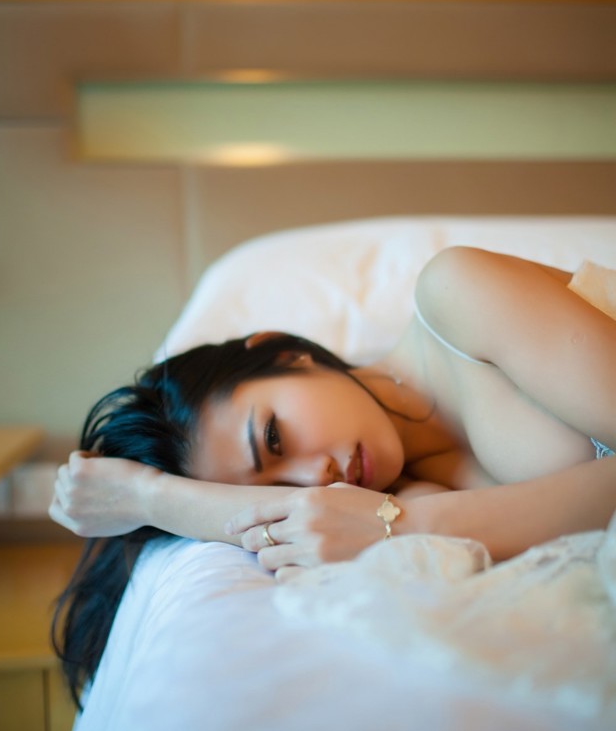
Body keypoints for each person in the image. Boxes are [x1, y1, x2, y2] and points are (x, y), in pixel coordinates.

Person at [51, 246, 616, 707]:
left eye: (274, 437)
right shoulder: (411, 490)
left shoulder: (457, 291)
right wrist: (152, 498)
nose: (314, 478)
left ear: (284, 354)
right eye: (283, 491)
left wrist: (404, 522)